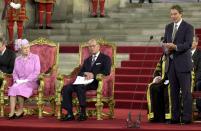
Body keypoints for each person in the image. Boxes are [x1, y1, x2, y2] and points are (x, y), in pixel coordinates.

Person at [61, 39, 112, 121]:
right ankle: (70, 113)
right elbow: (80, 73)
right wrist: (85, 74)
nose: (91, 48)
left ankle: (83, 112)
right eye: (90, 46)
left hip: (97, 83)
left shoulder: (105, 58)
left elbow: (106, 72)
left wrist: (93, 75)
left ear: (98, 47)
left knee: (80, 87)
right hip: (84, 82)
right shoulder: (87, 60)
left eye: (93, 46)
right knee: (66, 88)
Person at [163, 5, 194, 124]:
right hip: (170, 64)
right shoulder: (168, 27)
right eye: (171, 14)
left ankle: (186, 118)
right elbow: (165, 43)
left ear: (181, 14)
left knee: (186, 93)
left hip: (183, 64)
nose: (173, 16)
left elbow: (188, 44)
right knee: (173, 93)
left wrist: (175, 47)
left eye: (175, 14)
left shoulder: (188, 27)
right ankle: (175, 117)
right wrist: (165, 49)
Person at [7, 39, 41, 119]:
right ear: (20, 49)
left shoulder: (35, 57)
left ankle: (21, 110)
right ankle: (12, 111)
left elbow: (37, 72)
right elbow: (14, 72)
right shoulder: (17, 59)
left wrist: (26, 80)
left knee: (20, 87)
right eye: (25, 48)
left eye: (28, 47)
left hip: (31, 81)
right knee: (13, 88)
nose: (27, 49)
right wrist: (16, 80)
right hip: (19, 81)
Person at [147, 54, 171, 123]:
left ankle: (168, 117)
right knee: (152, 87)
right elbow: (157, 70)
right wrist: (157, 77)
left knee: (167, 89)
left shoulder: (176, 55)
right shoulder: (163, 56)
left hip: (173, 80)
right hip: (163, 80)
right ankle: (156, 116)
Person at [191, 36, 201, 119]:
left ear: (197, 43)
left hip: (197, 79)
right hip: (185, 78)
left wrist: (193, 80)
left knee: (198, 84)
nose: (191, 42)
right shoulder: (184, 53)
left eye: (193, 41)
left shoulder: (200, 54)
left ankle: (199, 110)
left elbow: (200, 71)